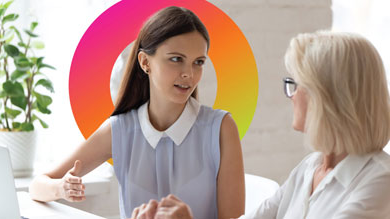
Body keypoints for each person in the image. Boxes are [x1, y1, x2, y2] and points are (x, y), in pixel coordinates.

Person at [131, 31, 390, 219]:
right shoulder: (310, 168)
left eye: (296, 84)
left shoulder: (380, 182)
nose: (292, 95)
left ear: (327, 97)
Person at [29, 6, 245, 219]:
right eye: (176, 59)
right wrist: (61, 188)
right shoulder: (120, 130)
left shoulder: (221, 128)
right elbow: (38, 186)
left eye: (198, 62)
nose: (189, 73)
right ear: (145, 62)